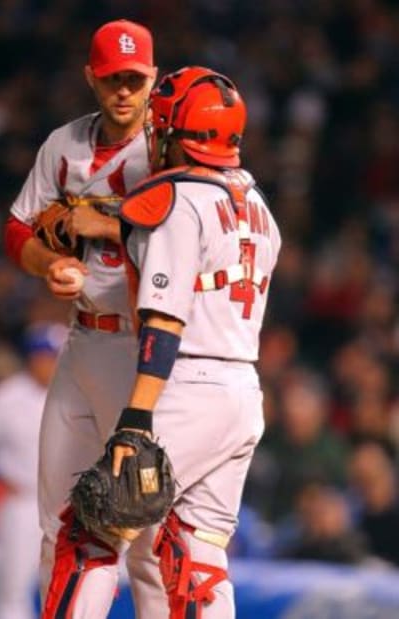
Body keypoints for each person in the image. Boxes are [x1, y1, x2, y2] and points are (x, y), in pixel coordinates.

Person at [44, 66, 281, 618]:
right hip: (242, 392)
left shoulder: (177, 200)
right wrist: (108, 222)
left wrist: (135, 418)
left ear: (176, 132)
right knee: (197, 557)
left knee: (91, 530)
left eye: (163, 123)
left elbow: (165, 322)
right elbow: (165, 227)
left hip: (186, 386)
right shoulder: (257, 205)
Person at [3, 19, 167, 618]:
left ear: (153, 77)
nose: (123, 90)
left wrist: (111, 221)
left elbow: (192, 228)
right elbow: (17, 227)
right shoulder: (64, 144)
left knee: (149, 537)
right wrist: (48, 263)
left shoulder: (171, 147)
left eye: (134, 78)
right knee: (62, 524)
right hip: (83, 342)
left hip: (148, 352)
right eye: (111, 79)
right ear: (90, 79)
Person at [0, 322, 67, 619]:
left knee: (64, 590)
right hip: (22, 503)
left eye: (55, 356)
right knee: (12, 592)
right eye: (45, 356)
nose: (49, 363)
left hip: (66, 507)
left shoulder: (74, 395)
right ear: (33, 357)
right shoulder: (7, 395)